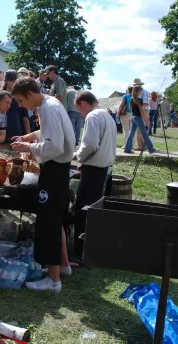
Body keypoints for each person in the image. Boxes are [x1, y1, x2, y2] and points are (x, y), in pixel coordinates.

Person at [9, 78, 75, 292]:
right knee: (56, 219)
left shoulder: (47, 109)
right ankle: (63, 267)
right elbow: (49, 134)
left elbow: (53, 146)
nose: (21, 105)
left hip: (54, 168)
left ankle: (53, 280)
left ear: (30, 94)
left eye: (20, 100)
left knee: (48, 221)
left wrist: (28, 147)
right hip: (59, 169)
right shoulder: (50, 105)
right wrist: (29, 137)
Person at [72, 91, 117, 262]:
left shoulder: (92, 116)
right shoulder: (107, 116)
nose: (81, 115)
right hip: (104, 168)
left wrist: (79, 156)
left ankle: (82, 253)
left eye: (79, 111)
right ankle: (94, 249)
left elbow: (90, 144)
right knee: (96, 211)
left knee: (85, 212)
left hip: (94, 171)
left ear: (84, 103)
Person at [0, 70, 30, 144]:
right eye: (13, 81)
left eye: (16, 82)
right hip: (1, 140)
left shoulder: (20, 97)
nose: (16, 84)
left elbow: (25, 118)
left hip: (17, 137)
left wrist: (28, 137)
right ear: (7, 81)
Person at [124, 86, 156, 154]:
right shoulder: (139, 100)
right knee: (144, 133)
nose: (141, 93)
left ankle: (127, 148)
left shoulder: (132, 99)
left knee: (131, 133)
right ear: (138, 91)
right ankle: (151, 148)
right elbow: (141, 111)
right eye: (141, 91)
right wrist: (146, 120)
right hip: (138, 117)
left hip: (133, 117)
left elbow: (130, 108)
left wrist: (140, 106)